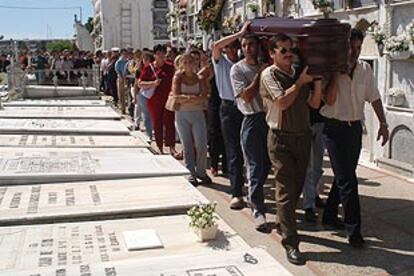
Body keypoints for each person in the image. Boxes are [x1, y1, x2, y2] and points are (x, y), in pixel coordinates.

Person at [321, 28, 389, 248]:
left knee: (345, 176)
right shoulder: (331, 70)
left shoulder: (365, 70)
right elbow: (329, 101)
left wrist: (383, 123)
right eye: (351, 47)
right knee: (348, 180)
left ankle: (330, 214)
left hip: (354, 130)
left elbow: (375, 97)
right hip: (333, 129)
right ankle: (354, 230)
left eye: (358, 48)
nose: (355, 52)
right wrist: (337, 74)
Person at [260, 33, 323, 265]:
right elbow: (282, 102)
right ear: (272, 53)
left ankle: (282, 221)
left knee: (295, 188)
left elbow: (315, 104)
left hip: (303, 137)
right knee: (286, 191)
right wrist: (300, 83)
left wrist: (316, 83)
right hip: (280, 139)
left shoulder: (298, 72)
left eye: (290, 50)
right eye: (283, 50)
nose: (288, 54)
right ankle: (291, 243)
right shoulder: (268, 74)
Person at [230, 32, 270, 231]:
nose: (247, 48)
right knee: (255, 165)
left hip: (270, 119)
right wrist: (260, 75)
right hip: (252, 119)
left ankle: (254, 195)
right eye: (244, 45)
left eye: (251, 44)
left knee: (268, 165)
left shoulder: (268, 66)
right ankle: (258, 210)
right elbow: (246, 96)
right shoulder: (237, 69)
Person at [212, 22, 250, 210]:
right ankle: (236, 192)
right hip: (228, 107)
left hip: (247, 107)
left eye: (235, 47)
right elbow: (216, 46)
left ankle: (252, 189)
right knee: (234, 151)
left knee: (251, 150)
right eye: (229, 47)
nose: (231, 51)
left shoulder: (246, 64)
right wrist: (240, 33)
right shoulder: (221, 63)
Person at [172, 54, 211, 186]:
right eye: (186, 62)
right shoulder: (178, 77)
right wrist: (193, 98)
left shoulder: (199, 78)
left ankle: (201, 171)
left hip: (197, 113)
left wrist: (187, 98)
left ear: (195, 63)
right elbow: (176, 95)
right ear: (182, 64)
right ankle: (190, 172)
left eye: (191, 62)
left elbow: (205, 95)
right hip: (182, 114)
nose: (188, 64)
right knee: (187, 145)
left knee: (201, 145)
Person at [140, 44, 177, 156]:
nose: (161, 56)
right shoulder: (149, 68)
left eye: (162, 53)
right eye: (158, 53)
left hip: (168, 99)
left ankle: (172, 147)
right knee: (157, 123)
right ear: (154, 55)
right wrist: (153, 83)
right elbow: (140, 83)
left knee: (169, 122)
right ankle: (160, 146)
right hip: (154, 101)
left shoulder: (170, 67)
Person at [115, 48, 129, 114]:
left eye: (126, 54)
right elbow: (117, 70)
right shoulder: (118, 62)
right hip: (121, 78)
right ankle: (123, 108)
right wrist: (121, 76)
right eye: (124, 54)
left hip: (127, 78)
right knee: (121, 94)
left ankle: (128, 108)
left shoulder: (128, 61)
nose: (125, 55)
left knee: (128, 94)